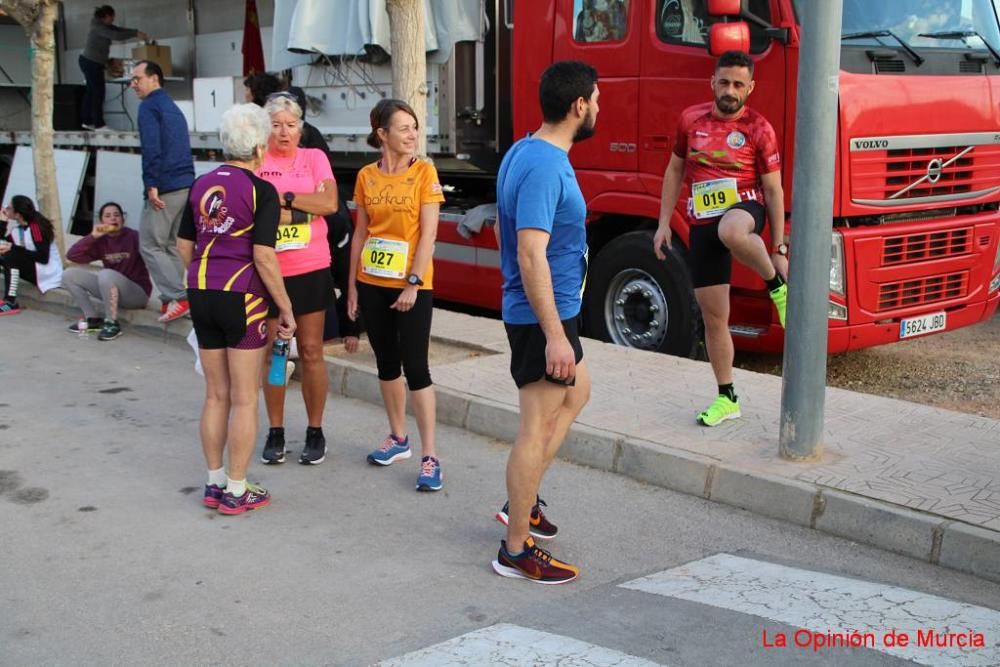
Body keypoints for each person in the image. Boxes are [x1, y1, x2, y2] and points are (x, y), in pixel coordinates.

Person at [490, 61, 598, 584]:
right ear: (579, 106)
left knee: (578, 394)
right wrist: (554, 334)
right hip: (542, 317)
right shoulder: (546, 167)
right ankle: (515, 546)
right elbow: (530, 252)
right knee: (534, 427)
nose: (599, 107)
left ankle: (524, 501)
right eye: (596, 99)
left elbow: (504, 233)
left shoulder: (525, 150)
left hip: (552, 310)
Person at [653, 50, 788, 427]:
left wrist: (778, 248)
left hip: (746, 210)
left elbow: (774, 192)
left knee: (731, 229)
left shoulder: (759, 128)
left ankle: (776, 287)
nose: (731, 90)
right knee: (715, 319)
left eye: (738, 84)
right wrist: (664, 223)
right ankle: (727, 396)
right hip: (702, 225)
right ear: (713, 82)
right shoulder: (690, 120)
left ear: (751, 88)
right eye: (724, 82)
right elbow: (675, 169)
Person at [176, 103, 296, 515]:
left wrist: (203, 276)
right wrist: (285, 307)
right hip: (243, 296)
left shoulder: (201, 183)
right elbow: (264, 256)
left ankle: (213, 483)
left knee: (215, 395)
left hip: (202, 291)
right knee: (245, 398)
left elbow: (183, 246)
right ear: (260, 147)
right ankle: (238, 489)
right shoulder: (261, 190)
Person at [346, 98, 445, 491]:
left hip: (414, 285)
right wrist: (352, 284)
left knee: (417, 367)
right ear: (382, 134)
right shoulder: (367, 176)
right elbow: (360, 233)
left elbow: (430, 234)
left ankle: (430, 456)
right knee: (386, 363)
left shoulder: (425, 172)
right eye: (403, 128)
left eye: (414, 127)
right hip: (372, 282)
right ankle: (398, 438)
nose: (412, 135)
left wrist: (413, 282)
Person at [256, 93, 339, 465]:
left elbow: (330, 205)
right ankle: (275, 431)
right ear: (265, 128)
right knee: (276, 353)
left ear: (301, 128)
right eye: (276, 125)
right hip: (271, 271)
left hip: (311, 267)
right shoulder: (258, 160)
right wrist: (303, 203)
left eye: (291, 124)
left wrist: (283, 199)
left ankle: (315, 430)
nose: (284, 132)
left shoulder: (314, 158)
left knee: (310, 351)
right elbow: (260, 216)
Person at [130, 59, 194, 323]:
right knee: (170, 244)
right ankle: (173, 298)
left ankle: (179, 296)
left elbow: (152, 149)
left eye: (137, 78)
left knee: (149, 244)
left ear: (154, 78)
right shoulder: (172, 107)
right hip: (184, 182)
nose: (133, 84)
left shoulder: (149, 107)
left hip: (164, 185)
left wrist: (151, 186)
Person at [62, 202, 152, 341]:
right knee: (69, 274)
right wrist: (93, 236)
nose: (113, 219)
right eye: (108, 216)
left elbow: (153, 255)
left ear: (123, 219)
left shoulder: (134, 236)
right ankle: (92, 319)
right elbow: (73, 256)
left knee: (106, 274)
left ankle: (111, 323)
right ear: (102, 221)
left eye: (117, 215)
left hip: (136, 294)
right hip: (109, 290)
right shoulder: (100, 240)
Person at [79, 5, 147, 131]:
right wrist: (135, 34)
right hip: (90, 62)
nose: (112, 21)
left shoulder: (104, 26)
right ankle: (99, 124)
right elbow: (116, 36)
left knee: (91, 92)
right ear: (104, 17)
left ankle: (87, 121)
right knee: (98, 92)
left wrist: (136, 32)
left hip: (92, 62)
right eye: (111, 18)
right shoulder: (98, 27)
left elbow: (119, 30)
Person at [0, 195, 63, 315]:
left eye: (9, 208)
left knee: (10, 255)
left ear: (18, 214)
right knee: (6, 252)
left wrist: (13, 248)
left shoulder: (36, 228)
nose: (6, 209)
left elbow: (43, 258)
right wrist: (2, 223)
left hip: (45, 272)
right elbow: (2, 243)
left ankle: (10, 302)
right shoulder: (18, 229)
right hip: (33, 266)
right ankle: (8, 301)